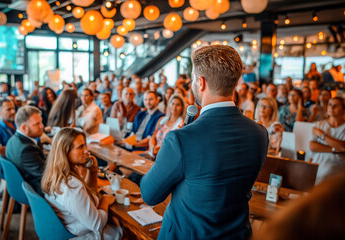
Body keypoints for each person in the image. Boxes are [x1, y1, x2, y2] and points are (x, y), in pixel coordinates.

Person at [140, 45, 268, 239]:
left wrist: (171, 149)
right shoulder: (259, 133)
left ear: (200, 83)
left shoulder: (180, 139)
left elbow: (150, 194)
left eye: (193, 79)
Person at [42, 128, 122, 239]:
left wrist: (92, 172)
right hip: (79, 235)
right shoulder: (71, 186)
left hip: (70, 227)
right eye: (80, 147)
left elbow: (89, 197)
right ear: (65, 152)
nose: (86, 151)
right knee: (124, 231)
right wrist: (105, 201)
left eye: (85, 145)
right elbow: (97, 224)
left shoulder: (57, 174)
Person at [6, 106, 46, 195]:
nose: (42, 126)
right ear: (24, 128)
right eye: (37, 124)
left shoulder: (12, 140)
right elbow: (46, 175)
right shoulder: (27, 150)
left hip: (24, 183)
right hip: (35, 189)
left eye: (41, 122)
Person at [310, 97, 345, 184]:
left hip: (336, 164)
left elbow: (343, 147)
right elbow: (313, 146)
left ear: (343, 109)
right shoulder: (319, 124)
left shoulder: (319, 130)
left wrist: (322, 135)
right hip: (318, 162)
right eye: (330, 104)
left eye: (335, 106)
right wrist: (334, 149)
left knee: (327, 171)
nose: (331, 107)